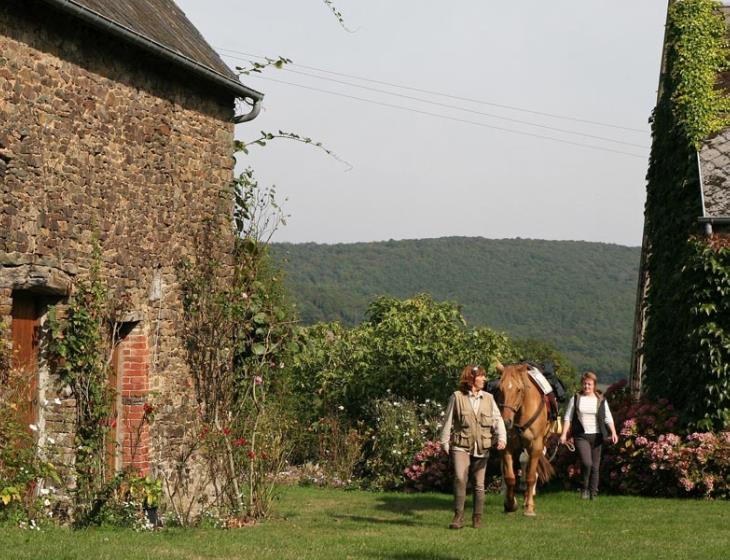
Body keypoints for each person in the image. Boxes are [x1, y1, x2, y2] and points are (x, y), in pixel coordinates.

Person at [440, 365, 506, 529]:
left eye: (484, 376)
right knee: (460, 479)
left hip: (482, 446)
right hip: (461, 445)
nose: (485, 379)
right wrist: (444, 441)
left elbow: (498, 420)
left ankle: (477, 518)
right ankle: (458, 517)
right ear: (471, 379)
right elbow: (448, 420)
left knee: (479, 484)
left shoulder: (489, 398)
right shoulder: (456, 397)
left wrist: (502, 437)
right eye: (481, 376)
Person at [559, 371, 618, 500]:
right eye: (585, 384)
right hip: (581, 435)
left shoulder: (601, 400)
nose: (587, 387)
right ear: (582, 384)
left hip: (597, 436)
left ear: (594, 385)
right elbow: (568, 417)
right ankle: (584, 488)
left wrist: (613, 432)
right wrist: (564, 434)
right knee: (587, 463)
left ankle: (593, 493)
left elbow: (608, 417)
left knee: (595, 466)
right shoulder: (575, 399)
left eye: (589, 384)